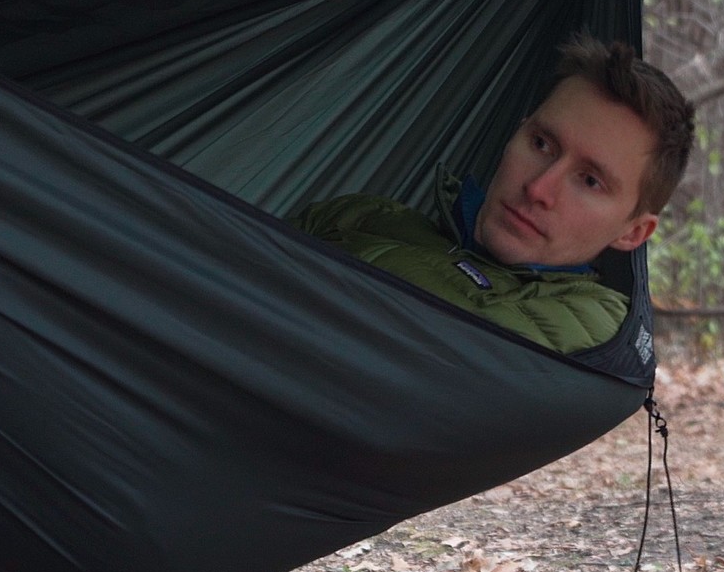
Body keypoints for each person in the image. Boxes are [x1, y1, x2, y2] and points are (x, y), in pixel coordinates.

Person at [297, 36, 694, 353]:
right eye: (541, 144)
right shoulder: (366, 214)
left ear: (633, 233)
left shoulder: (595, 323)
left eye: (590, 181)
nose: (538, 188)